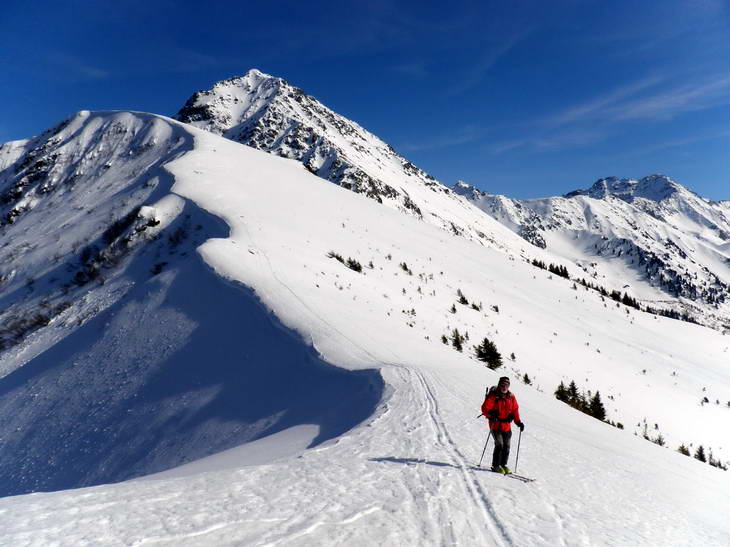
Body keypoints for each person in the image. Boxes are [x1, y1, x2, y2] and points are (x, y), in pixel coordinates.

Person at [481, 376, 524, 474]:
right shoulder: (493, 396)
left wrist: (518, 422)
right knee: (499, 444)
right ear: (499, 385)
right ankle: (496, 465)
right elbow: (484, 408)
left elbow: (515, 410)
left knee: (507, 446)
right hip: (495, 425)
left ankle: (503, 464)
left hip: (506, 426)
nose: (505, 387)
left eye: (507, 385)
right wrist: (491, 414)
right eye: (503, 385)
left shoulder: (511, 397)